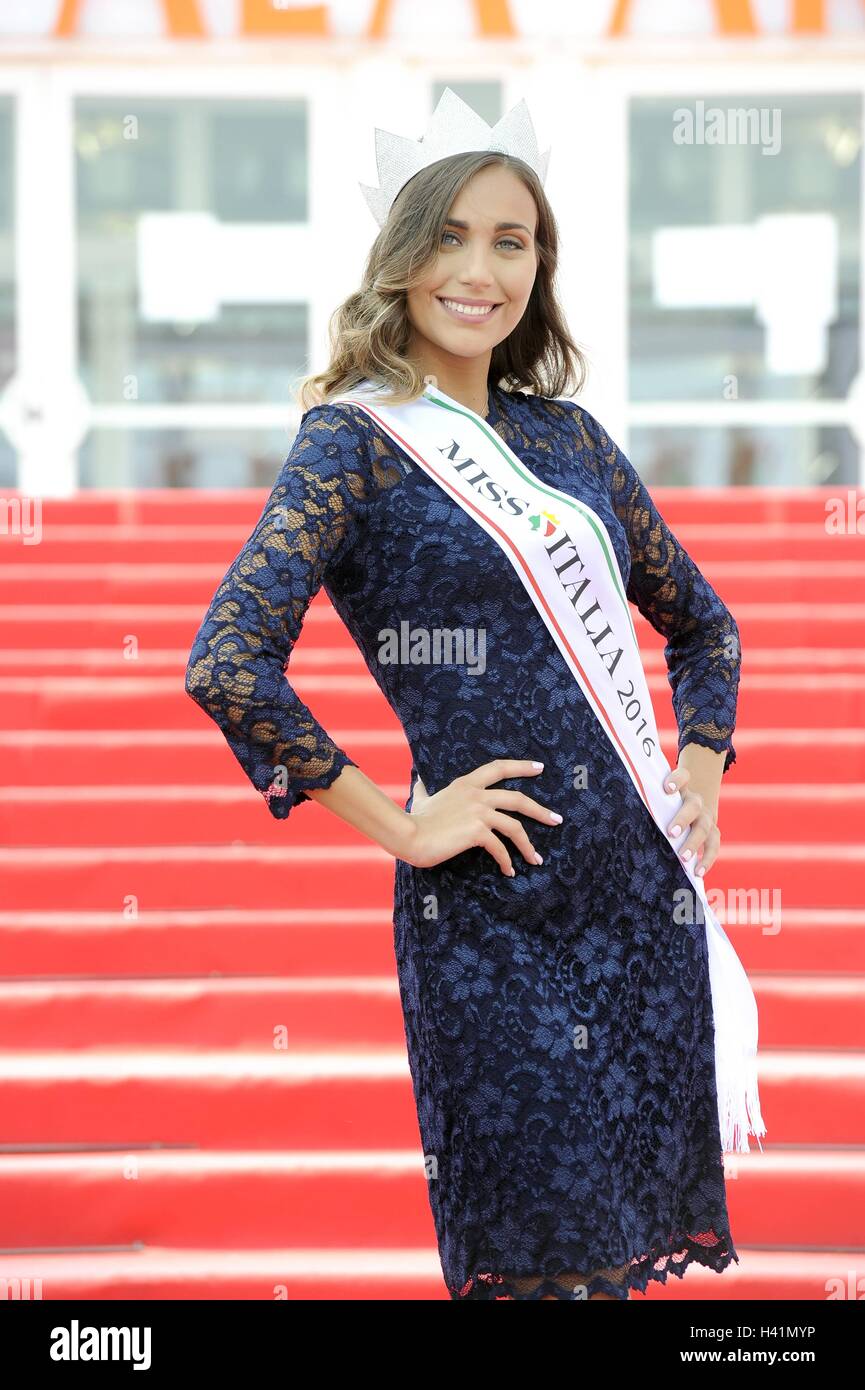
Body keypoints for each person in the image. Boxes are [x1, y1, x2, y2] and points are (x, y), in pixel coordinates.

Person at [185, 90, 763, 1301]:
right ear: (401, 258)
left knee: (616, 1270)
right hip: (491, 922)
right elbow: (229, 658)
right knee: (542, 1268)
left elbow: (704, 625)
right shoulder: (352, 443)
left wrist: (700, 764)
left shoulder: (571, 441)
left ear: (538, 265)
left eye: (511, 241)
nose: (479, 270)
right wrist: (401, 826)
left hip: (634, 906)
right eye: (448, 236)